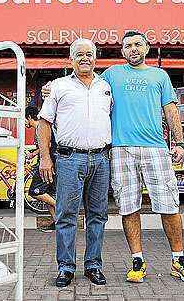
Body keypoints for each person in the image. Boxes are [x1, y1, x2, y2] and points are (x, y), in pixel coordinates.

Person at [43, 31, 184, 284]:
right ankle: (137, 260)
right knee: (128, 206)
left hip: (156, 148)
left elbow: (170, 108)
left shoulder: (159, 76)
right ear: (122, 51)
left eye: (138, 44)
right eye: (128, 46)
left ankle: (178, 259)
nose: (133, 49)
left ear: (147, 48)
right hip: (119, 150)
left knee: (169, 205)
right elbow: (82, 81)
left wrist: (179, 142)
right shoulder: (110, 76)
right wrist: (51, 87)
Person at [38, 38, 112, 287]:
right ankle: (66, 267)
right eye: (79, 54)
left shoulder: (106, 85)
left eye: (89, 54)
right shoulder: (59, 86)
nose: (84, 58)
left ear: (95, 58)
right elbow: (44, 123)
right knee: (66, 215)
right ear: (71, 59)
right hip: (69, 159)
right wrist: (45, 157)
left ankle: (93, 265)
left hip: (102, 158)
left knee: (98, 215)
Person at [25, 105, 57, 231]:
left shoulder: (40, 127)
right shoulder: (38, 128)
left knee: (34, 191)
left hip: (47, 165)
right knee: (47, 194)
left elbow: (48, 144)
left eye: (24, 120)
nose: (24, 123)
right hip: (50, 164)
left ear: (28, 117)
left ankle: (60, 208)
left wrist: (33, 154)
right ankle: (57, 222)